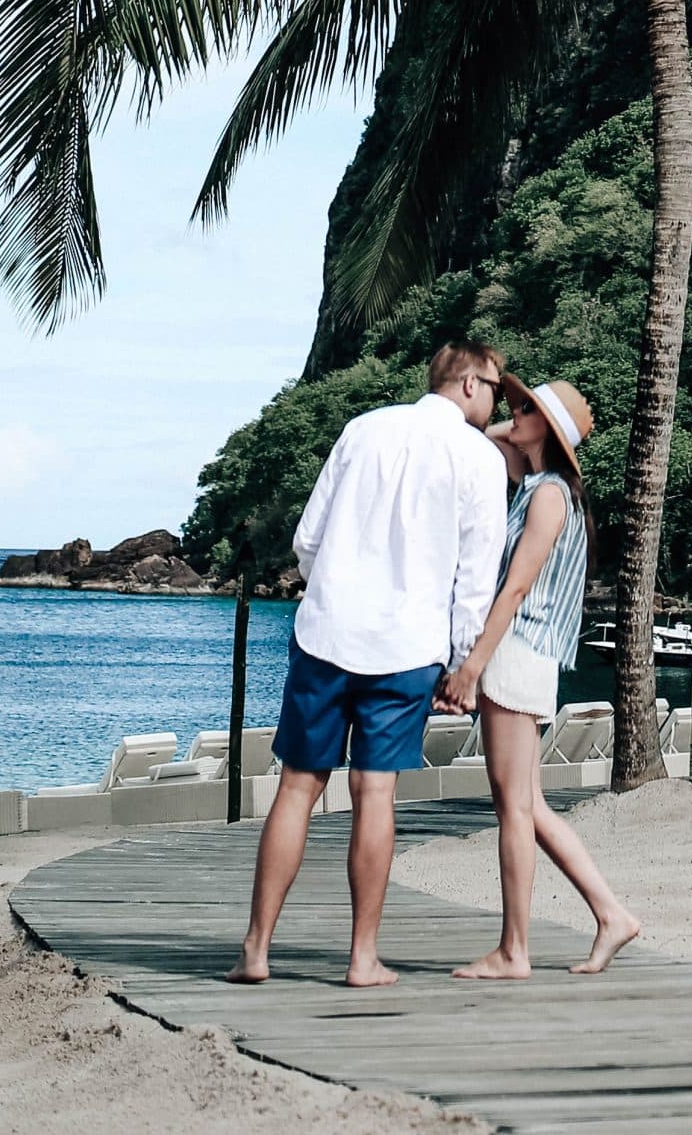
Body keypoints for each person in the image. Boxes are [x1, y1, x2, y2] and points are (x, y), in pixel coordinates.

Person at [228, 342, 509, 988]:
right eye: (495, 384)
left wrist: (330, 587)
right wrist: (465, 663)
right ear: (468, 383)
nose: (497, 398)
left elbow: (308, 539)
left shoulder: (363, 430)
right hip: (408, 646)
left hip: (329, 632)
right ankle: (361, 959)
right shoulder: (477, 458)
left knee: (299, 785)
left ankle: (257, 949)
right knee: (375, 793)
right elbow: (475, 577)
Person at [436, 372, 640, 980]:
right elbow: (486, 439)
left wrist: (472, 664)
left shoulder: (548, 495)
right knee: (528, 805)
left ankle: (514, 950)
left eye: (526, 409)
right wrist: (528, 425)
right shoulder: (540, 485)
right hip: (525, 652)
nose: (512, 411)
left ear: (546, 432)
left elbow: (517, 584)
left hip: (517, 651)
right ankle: (610, 915)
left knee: (514, 809)